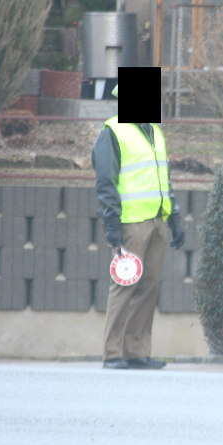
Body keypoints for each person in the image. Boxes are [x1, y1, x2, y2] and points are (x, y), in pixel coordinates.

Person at [92, 85, 185, 370]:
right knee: (124, 285)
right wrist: (112, 224)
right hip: (131, 222)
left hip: (156, 221)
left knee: (149, 286)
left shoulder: (155, 132)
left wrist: (174, 219)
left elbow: (163, 178)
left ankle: (136, 351)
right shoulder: (114, 131)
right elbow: (105, 182)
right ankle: (112, 353)